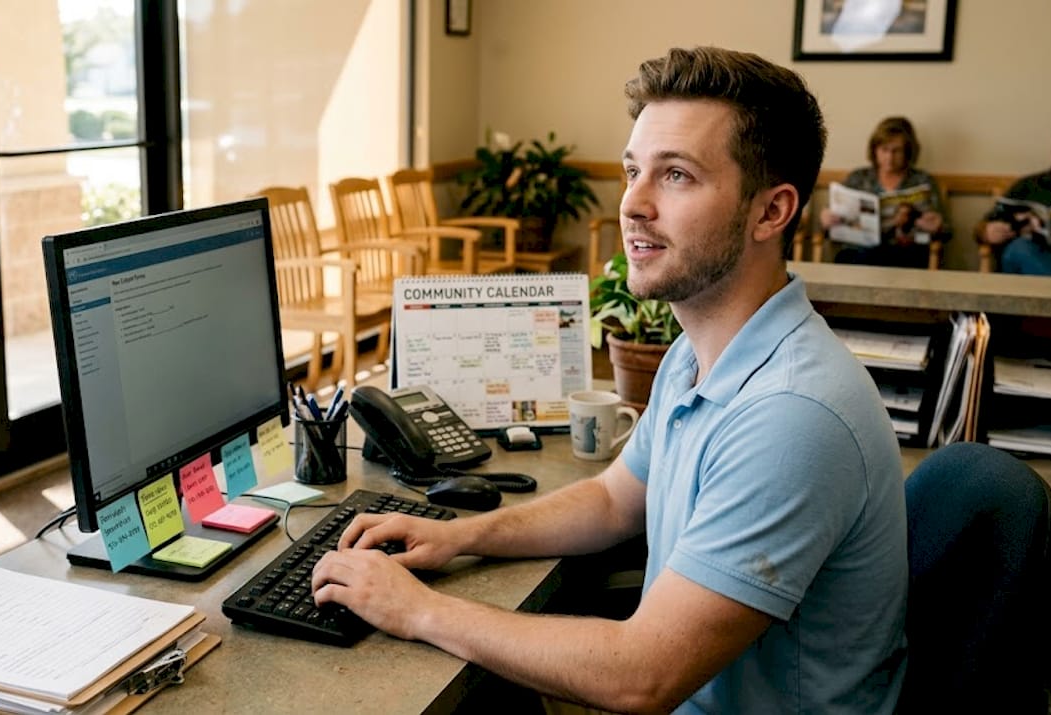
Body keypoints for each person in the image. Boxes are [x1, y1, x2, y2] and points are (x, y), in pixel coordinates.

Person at [312, 47, 907, 713]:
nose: (633, 204)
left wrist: (418, 609)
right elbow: (614, 501)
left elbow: (641, 676)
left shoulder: (792, 415)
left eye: (676, 175)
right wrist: (458, 536)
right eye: (632, 171)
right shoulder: (701, 350)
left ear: (771, 212)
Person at [819, 116, 949, 268]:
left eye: (896, 151)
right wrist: (826, 220)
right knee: (855, 258)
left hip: (906, 254)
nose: (889, 157)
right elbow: (829, 228)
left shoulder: (922, 180)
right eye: (884, 150)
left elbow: (947, 230)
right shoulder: (859, 178)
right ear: (875, 150)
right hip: (860, 253)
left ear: (908, 151)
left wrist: (938, 226)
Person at [978, 121, 1051, 276]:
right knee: (1019, 248)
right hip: (1035, 262)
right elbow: (982, 226)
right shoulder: (1028, 187)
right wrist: (986, 232)